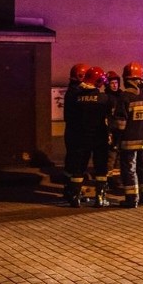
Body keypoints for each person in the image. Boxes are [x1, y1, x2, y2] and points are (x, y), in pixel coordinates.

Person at [64, 66, 115, 208]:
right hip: (100, 138)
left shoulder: (75, 97)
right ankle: (100, 198)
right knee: (100, 168)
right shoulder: (104, 98)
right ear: (98, 81)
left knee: (79, 168)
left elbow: (69, 118)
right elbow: (111, 118)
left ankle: (75, 198)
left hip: (80, 138)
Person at [114, 61, 143, 208]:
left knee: (129, 170)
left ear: (127, 79)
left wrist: (116, 140)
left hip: (128, 141)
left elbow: (120, 124)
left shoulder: (125, 97)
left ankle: (132, 199)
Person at [62, 63, 88, 203]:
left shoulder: (71, 91)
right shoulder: (77, 93)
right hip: (78, 132)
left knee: (71, 162)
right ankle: (74, 191)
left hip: (71, 132)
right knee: (77, 164)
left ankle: (69, 189)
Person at [104, 70, 123, 195]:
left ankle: (116, 180)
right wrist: (108, 132)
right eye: (112, 83)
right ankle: (107, 180)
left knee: (119, 159)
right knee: (110, 157)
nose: (115, 85)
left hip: (120, 131)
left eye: (116, 83)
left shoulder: (122, 96)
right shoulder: (105, 98)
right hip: (111, 131)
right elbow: (105, 117)